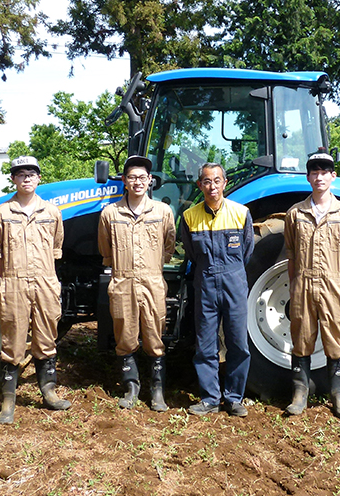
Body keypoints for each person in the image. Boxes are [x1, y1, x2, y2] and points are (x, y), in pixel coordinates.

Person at [0, 156, 71, 425]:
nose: (26, 178)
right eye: (20, 174)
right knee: (12, 340)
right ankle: (8, 400)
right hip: (14, 282)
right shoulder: (1, 213)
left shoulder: (52, 212)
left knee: (47, 336)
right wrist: (11, 277)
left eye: (31, 173)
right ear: (13, 179)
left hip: (45, 280)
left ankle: (49, 391)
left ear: (39, 178)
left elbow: (57, 248)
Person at [284, 150, 340, 419]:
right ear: (308, 177)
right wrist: (294, 285)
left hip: (334, 286)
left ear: (333, 176)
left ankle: (339, 396)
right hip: (303, 284)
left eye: (324, 172)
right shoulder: (295, 214)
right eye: (314, 172)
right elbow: (291, 254)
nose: (319, 177)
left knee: (336, 341)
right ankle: (299, 393)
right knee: (301, 339)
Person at [97, 156, 176, 411]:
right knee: (125, 336)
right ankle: (131, 387)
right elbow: (105, 249)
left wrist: (152, 268)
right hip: (122, 281)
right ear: (124, 181)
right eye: (132, 177)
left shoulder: (163, 211)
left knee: (154, 335)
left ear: (150, 181)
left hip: (152, 281)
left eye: (143, 177)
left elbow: (169, 246)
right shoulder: (110, 213)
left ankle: (157, 390)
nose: (138, 182)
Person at [180, 163, 254, 417]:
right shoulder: (189, 216)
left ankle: (234, 398)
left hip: (234, 282)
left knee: (238, 342)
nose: (212, 186)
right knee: (205, 343)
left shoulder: (241, 213)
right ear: (200, 185)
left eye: (217, 181)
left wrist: (229, 272)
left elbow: (246, 251)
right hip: (205, 283)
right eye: (207, 182)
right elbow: (191, 253)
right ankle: (210, 398)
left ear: (225, 183)